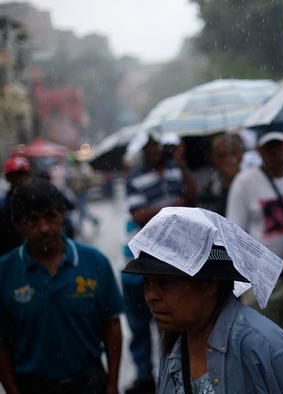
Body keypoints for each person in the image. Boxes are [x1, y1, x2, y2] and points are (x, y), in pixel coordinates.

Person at [122, 207, 283, 393]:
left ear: (209, 284)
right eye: (147, 283)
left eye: (164, 283)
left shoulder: (266, 347)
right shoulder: (175, 345)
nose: (151, 296)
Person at [0, 177, 123, 394]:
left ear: (63, 214)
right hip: (32, 387)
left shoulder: (95, 262)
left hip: (90, 384)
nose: (44, 228)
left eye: (50, 217)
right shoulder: (5, 271)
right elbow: (1, 343)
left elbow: (111, 324)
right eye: (32, 220)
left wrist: (112, 385)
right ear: (18, 223)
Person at [226, 131, 283, 370]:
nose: (275, 153)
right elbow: (235, 236)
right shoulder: (245, 182)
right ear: (260, 151)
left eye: (279, 146)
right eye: (269, 148)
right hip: (262, 285)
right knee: (263, 354)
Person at [122, 133, 198, 394]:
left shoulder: (177, 170)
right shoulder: (135, 177)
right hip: (145, 258)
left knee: (170, 326)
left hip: (175, 259)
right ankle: (145, 377)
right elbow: (139, 214)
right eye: (149, 146)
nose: (154, 150)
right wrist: (174, 208)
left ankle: (172, 378)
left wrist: (183, 165)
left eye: (157, 145)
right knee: (140, 324)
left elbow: (192, 196)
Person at [200, 133, 244, 215]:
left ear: (241, 156)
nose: (227, 159)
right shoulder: (212, 184)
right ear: (213, 158)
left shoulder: (250, 180)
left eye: (232, 154)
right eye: (221, 155)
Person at [0, 157, 31, 256]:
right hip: (11, 250)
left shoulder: (36, 198)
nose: (18, 178)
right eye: (14, 175)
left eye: (21, 174)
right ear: (8, 178)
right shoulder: (4, 203)